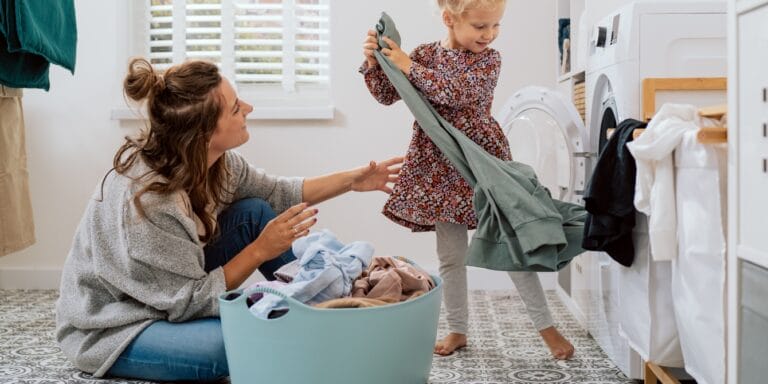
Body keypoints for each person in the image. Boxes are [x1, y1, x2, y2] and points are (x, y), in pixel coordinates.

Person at [55, 58, 403, 382]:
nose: (248, 109)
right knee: (232, 345)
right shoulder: (152, 202)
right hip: (119, 321)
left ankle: (328, 303)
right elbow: (189, 301)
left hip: (173, 287)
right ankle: (314, 322)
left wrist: (353, 181)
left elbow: (278, 192)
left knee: (254, 212)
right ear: (205, 134)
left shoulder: (217, 162)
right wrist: (259, 251)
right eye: (236, 108)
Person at [359, 0, 575, 359]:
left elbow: (456, 93)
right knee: (450, 255)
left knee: (511, 244)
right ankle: (457, 329)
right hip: (439, 165)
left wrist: (407, 65)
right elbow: (387, 94)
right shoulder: (425, 54)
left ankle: (546, 327)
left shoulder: (489, 60)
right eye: (480, 26)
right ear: (449, 19)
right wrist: (374, 62)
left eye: (495, 26)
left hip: (481, 162)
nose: (489, 35)